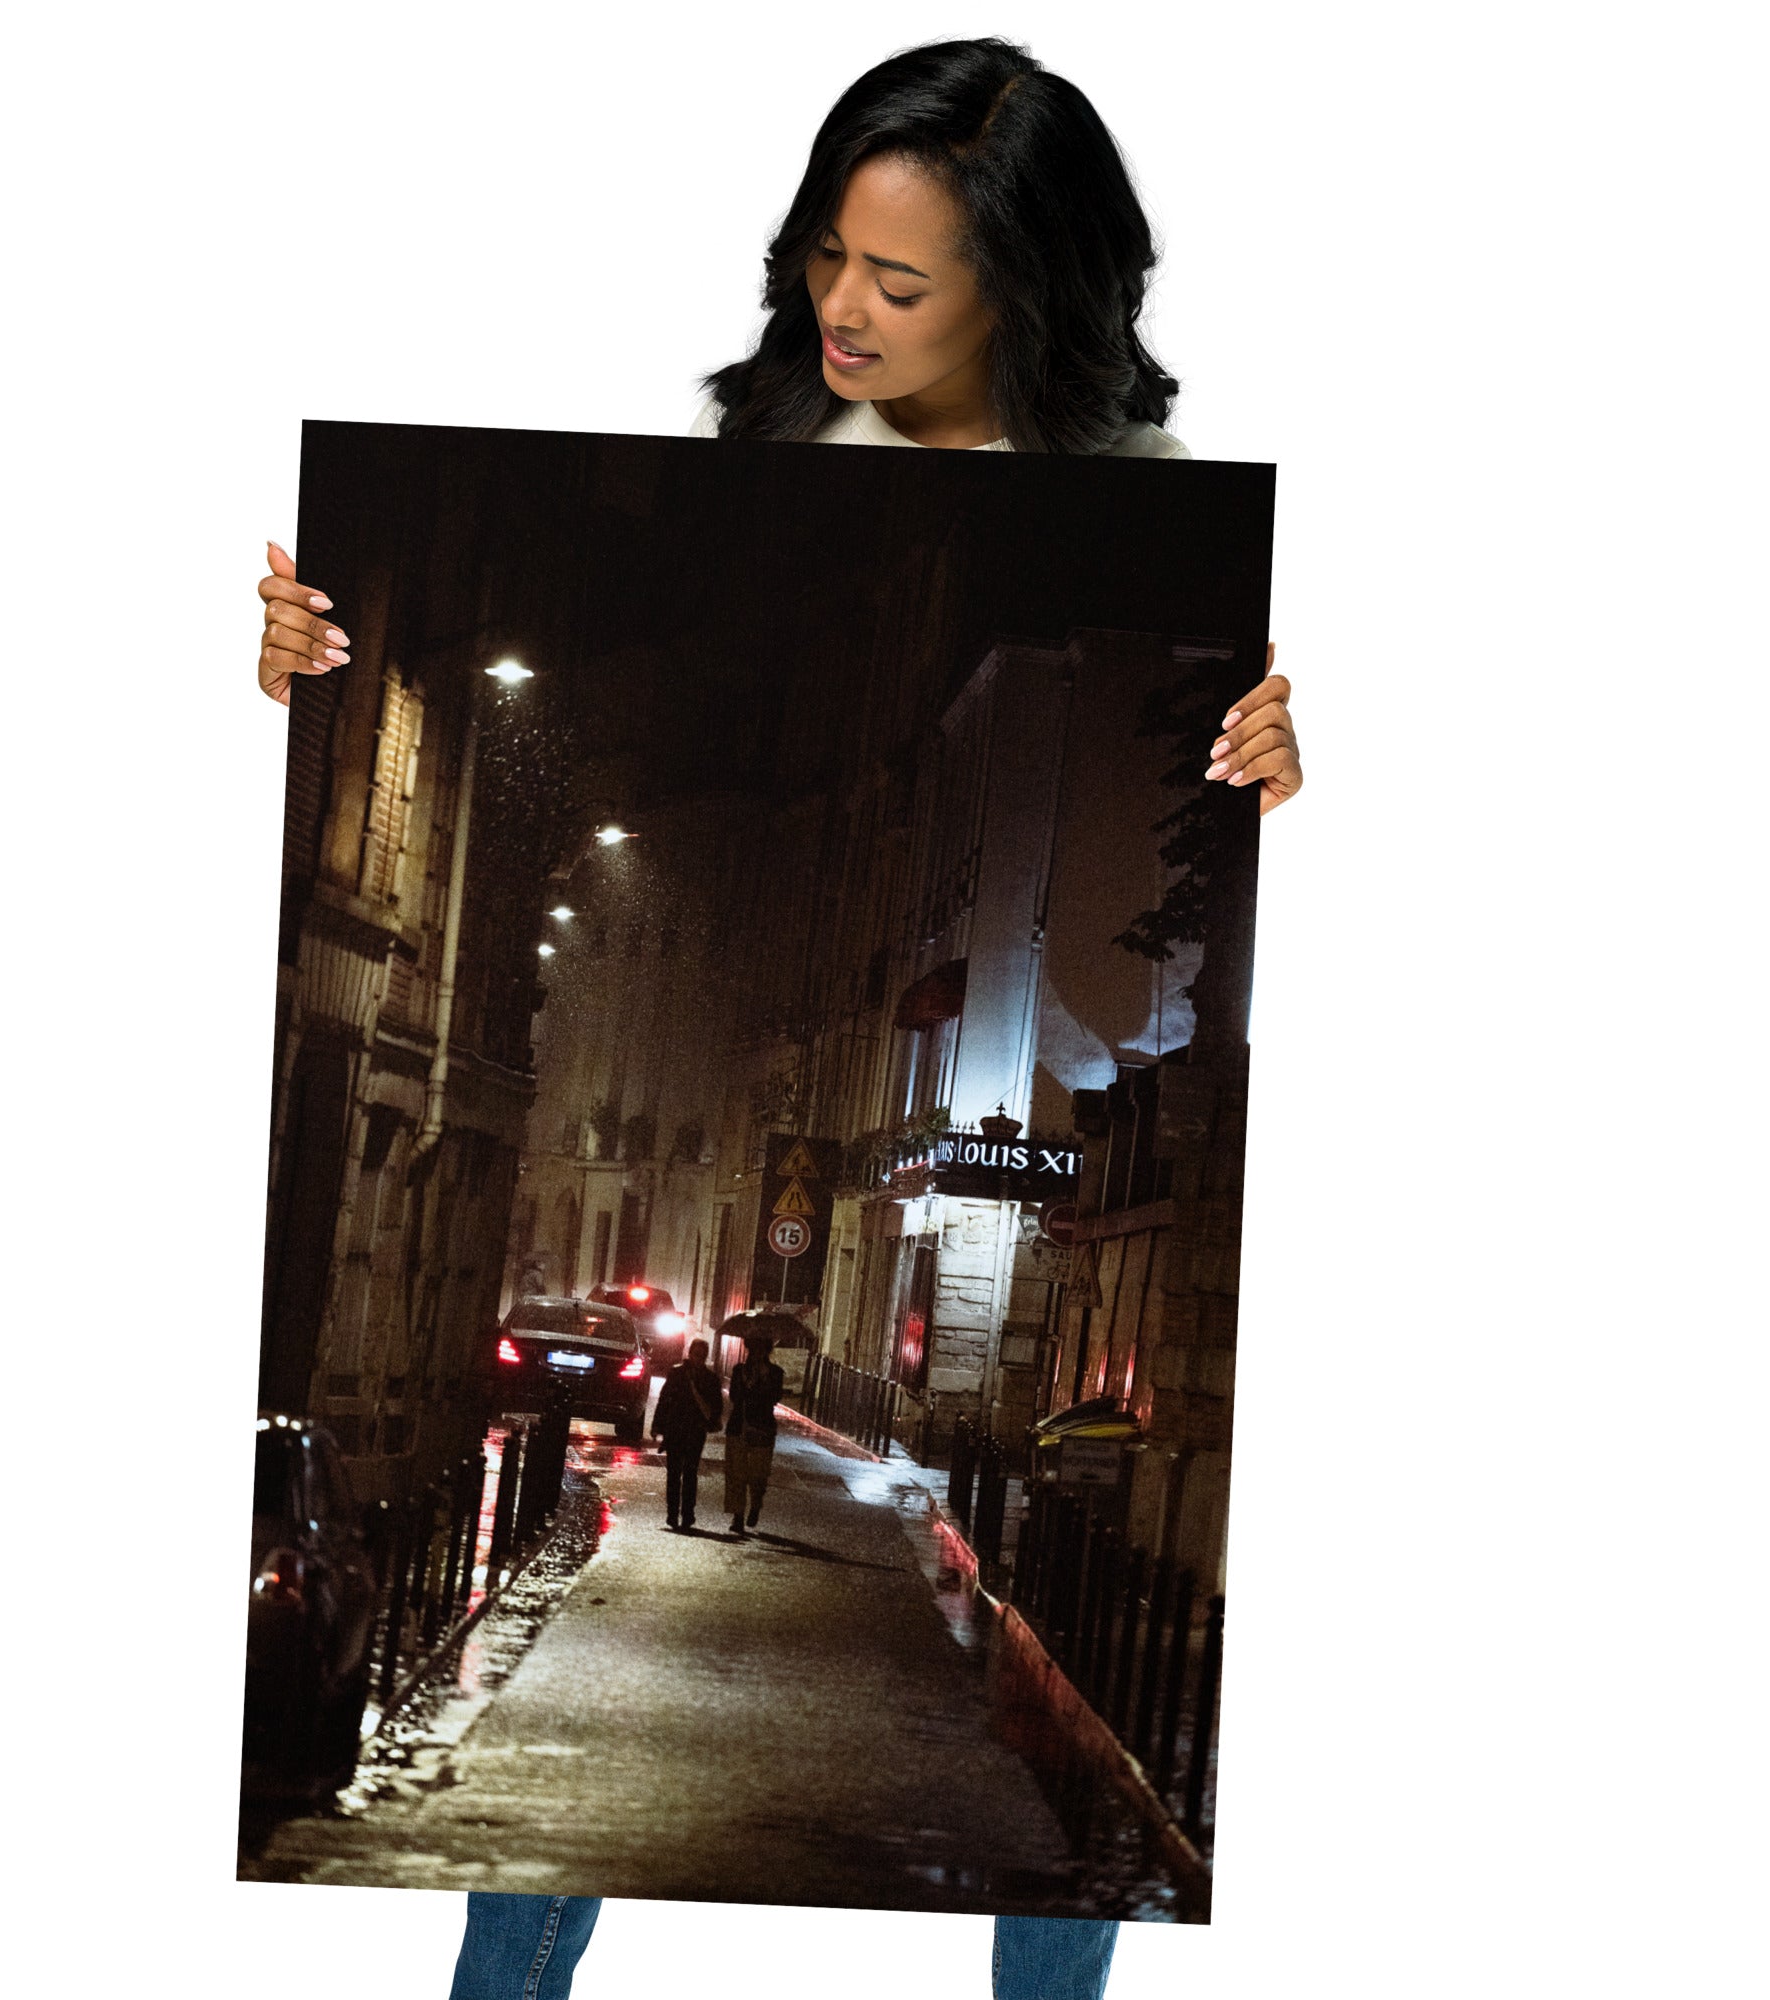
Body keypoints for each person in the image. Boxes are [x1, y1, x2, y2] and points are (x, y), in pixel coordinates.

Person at [259, 35, 1304, 2000]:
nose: (841, 306)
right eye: (830, 251)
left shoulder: (1171, 506)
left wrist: (1287, 756)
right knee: (526, 1892)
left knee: (1051, 1911)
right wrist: (273, 643)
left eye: (899, 282)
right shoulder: (723, 435)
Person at [652, 1336, 722, 1529]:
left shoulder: (710, 1379)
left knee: (690, 1473)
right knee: (674, 1473)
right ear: (689, 1354)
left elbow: (715, 1408)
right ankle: (672, 1513)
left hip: (695, 1431)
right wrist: (657, 1425)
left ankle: (688, 1514)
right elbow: (664, 1400)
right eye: (696, 1354)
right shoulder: (676, 1374)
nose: (698, 1359)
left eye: (702, 1356)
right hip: (675, 1429)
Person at [722, 1327, 785, 1535]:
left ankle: (756, 1504)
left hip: (762, 1429)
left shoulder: (775, 1373)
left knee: (758, 1475)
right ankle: (738, 1516)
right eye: (753, 1349)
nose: (755, 1354)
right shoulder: (739, 1370)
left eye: (760, 1350)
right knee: (736, 1474)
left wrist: (763, 1382)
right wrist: (747, 1385)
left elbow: (774, 1398)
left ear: (766, 1351)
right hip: (738, 1427)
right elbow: (733, 1397)